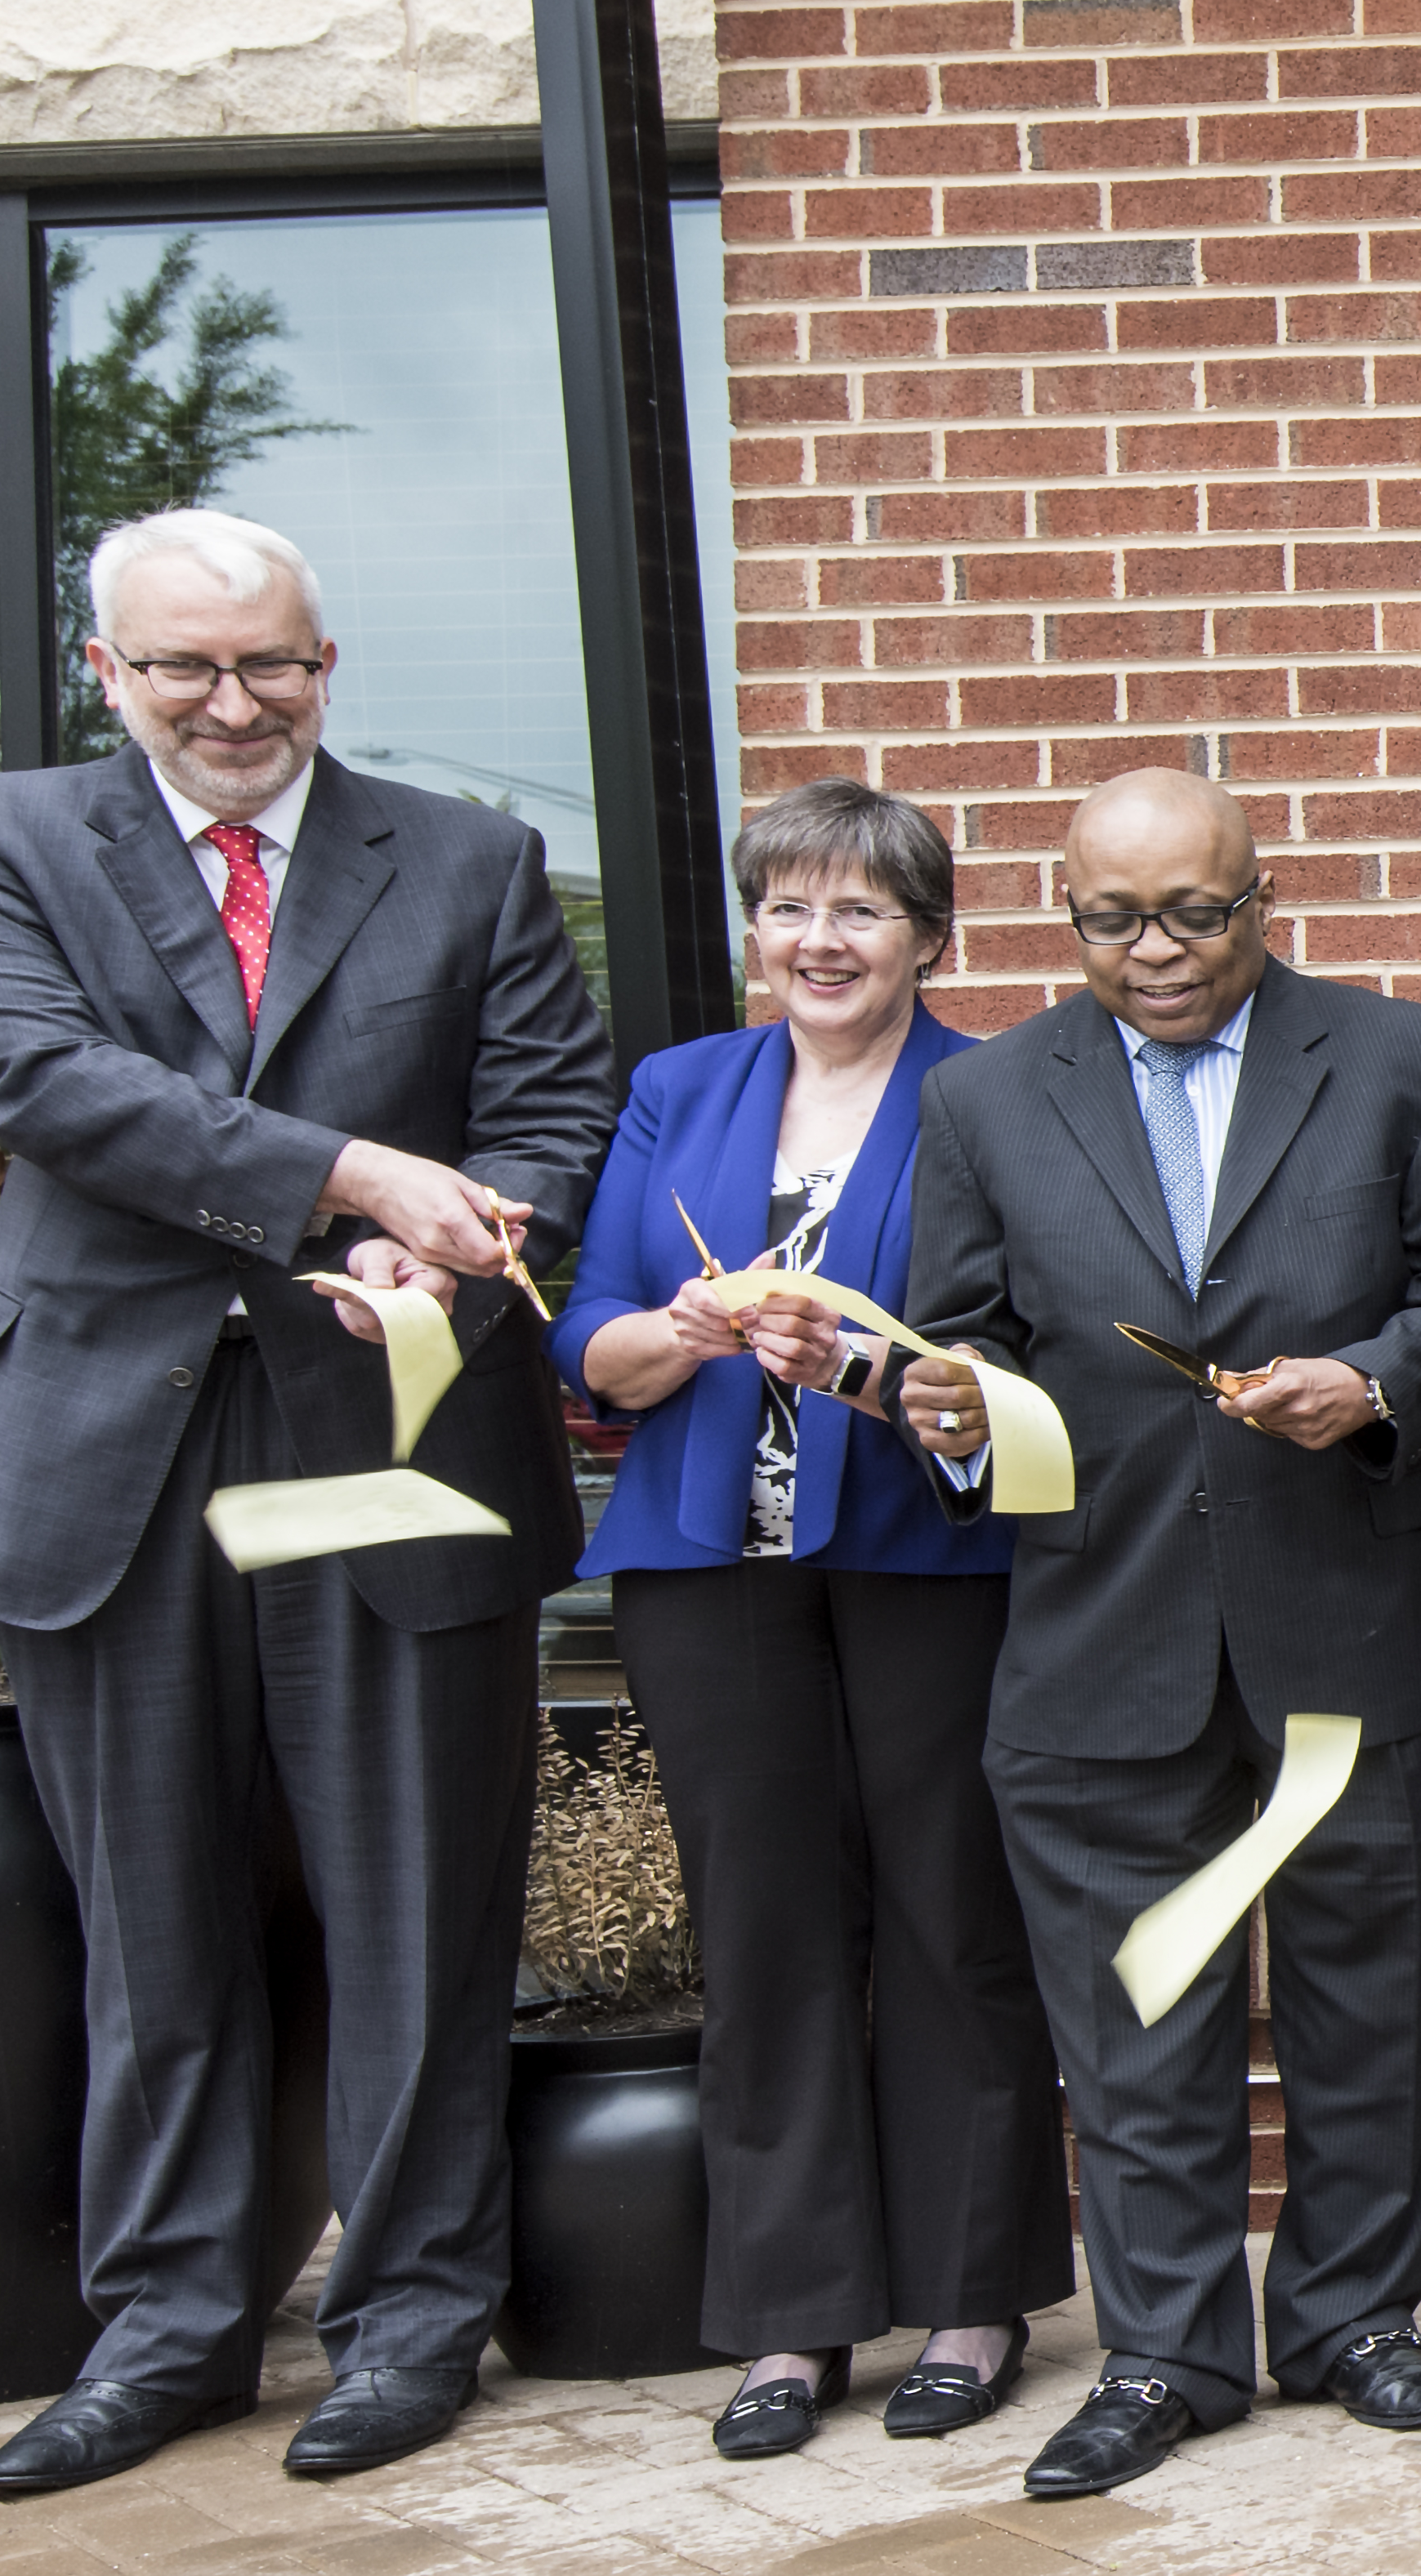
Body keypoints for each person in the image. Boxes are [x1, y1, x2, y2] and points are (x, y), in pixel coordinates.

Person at [0, 510, 617, 2497]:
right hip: (104, 1454)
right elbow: (42, 1079)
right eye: (188, 667)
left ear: (324, 661)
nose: (237, 704)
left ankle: (407, 2318)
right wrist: (358, 1175)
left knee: (419, 1900)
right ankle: (173, 2329)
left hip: (391, 1428)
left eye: (274, 664)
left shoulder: (460, 853)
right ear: (108, 668)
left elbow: (555, 1105)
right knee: (153, 1918)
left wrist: (456, 1248)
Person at [893, 767, 1421, 2499]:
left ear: (1266, 896)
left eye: (1194, 910)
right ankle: (1168, 2347)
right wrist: (945, 1408)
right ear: (1068, 912)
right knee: (1135, 2016)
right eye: (1113, 917)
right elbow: (956, 1338)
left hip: (1359, 1608)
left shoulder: (1408, 1057)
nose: (1156, 949)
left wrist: (1383, 1381)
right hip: (1100, 1624)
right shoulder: (977, 1096)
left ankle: (1352, 2316)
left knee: (1373, 1996)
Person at [547, 780, 1066, 2459]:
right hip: (706, 1560)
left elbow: (1020, 1343)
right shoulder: (676, 1085)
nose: (816, 939)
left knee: (949, 1918)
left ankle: (973, 2291)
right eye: (786, 905)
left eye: (858, 909)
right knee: (761, 1929)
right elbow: (590, 1343)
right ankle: (789, 2309)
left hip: (927, 1557)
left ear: (928, 934)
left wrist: (858, 1364)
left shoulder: (993, 1092)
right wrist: (691, 1331)